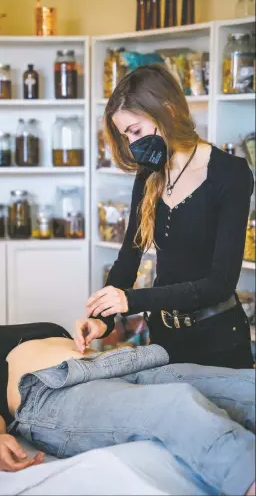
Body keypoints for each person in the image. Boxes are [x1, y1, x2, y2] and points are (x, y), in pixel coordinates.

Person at [0, 304, 256, 496]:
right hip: (51, 392)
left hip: (115, 365)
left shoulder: (24, 323)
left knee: (241, 386)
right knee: (175, 405)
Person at [74, 63, 254, 369]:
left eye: (136, 131)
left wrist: (132, 300)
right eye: (125, 136)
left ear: (167, 111)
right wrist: (103, 319)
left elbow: (221, 283)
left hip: (220, 342)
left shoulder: (231, 174)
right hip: (163, 341)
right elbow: (129, 257)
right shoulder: (148, 176)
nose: (132, 145)